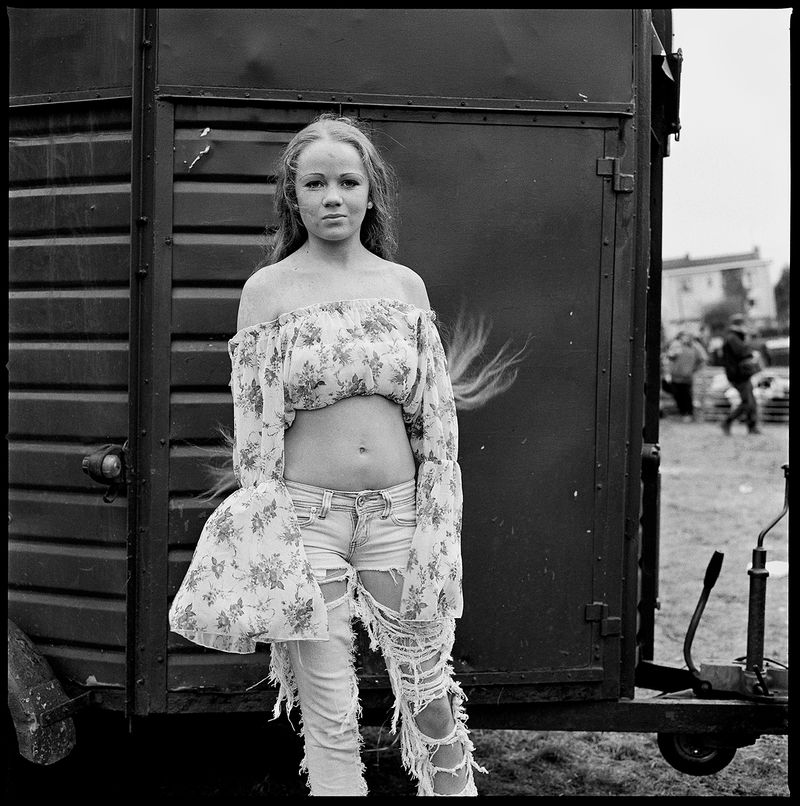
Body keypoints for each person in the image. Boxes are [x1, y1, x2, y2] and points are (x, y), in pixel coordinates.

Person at [168, 114, 521, 796]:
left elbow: (435, 421)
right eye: (316, 182)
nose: (333, 196)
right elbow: (255, 428)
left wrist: (432, 522)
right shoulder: (267, 292)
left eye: (348, 181)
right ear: (292, 197)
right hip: (307, 521)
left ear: (370, 193)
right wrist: (267, 526)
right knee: (330, 717)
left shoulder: (403, 288)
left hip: (397, 515)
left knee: (429, 697)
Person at [720, 314, 761, 435]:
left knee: (751, 401)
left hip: (741, 374)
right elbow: (742, 352)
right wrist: (752, 354)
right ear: (738, 325)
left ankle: (752, 426)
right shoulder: (733, 337)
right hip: (738, 374)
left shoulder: (735, 337)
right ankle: (727, 421)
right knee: (747, 402)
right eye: (744, 324)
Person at [664, 331, 707, 421]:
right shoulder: (676, 345)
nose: (686, 338)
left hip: (687, 376)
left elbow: (703, 359)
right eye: (684, 336)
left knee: (687, 395)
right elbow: (669, 357)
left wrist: (694, 369)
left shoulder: (695, 347)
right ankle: (683, 413)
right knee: (677, 395)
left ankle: (688, 414)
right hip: (675, 376)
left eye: (687, 336)